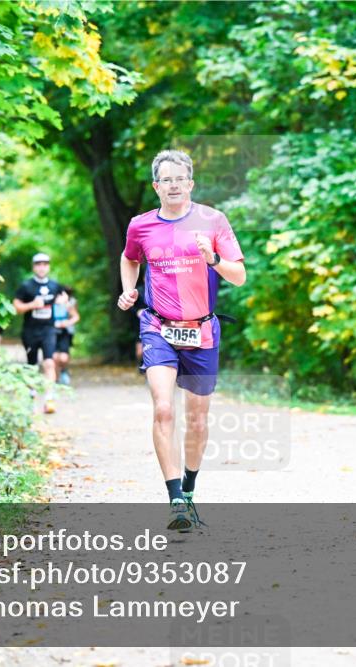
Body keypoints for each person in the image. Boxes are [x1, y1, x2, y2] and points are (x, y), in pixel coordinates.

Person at [116, 149, 246, 531]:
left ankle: (189, 489)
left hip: (202, 329)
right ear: (156, 186)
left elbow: (239, 276)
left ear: (190, 183)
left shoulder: (212, 220)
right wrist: (129, 290)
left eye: (180, 179)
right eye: (166, 180)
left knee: (197, 419)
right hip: (158, 327)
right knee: (163, 409)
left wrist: (214, 261)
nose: (173, 185)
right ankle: (175, 500)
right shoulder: (140, 225)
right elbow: (130, 258)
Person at [13, 253, 62, 414]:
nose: (42, 267)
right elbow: (16, 307)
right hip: (30, 331)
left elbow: (65, 299)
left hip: (48, 330)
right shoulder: (26, 286)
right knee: (32, 366)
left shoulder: (55, 285)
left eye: (45, 264)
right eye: (38, 264)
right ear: (34, 267)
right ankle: (31, 398)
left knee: (49, 362)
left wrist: (63, 301)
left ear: (48, 266)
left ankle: (49, 399)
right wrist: (32, 305)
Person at [53, 285, 80, 386]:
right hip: (52, 333)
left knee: (63, 357)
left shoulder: (69, 304)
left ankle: (64, 370)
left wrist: (67, 323)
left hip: (65, 332)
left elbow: (76, 316)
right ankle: (56, 378)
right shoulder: (50, 304)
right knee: (54, 357)